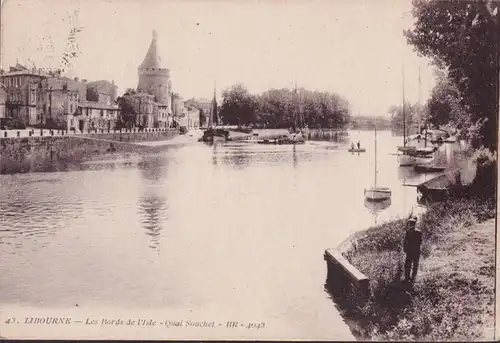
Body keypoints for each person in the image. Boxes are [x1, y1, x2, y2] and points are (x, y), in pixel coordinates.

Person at [403, 216, 422, 283]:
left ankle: (409, 278)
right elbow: (420, 242)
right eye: (410, 224)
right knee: (412, 265)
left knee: (411, 265)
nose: (410, 225)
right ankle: (410, 278)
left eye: (410, 224)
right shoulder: (418, 232)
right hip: (414, 251)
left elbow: (405, 242)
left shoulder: (408, 232)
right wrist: (405, 249)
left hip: (412, 251)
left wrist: (405, 249)